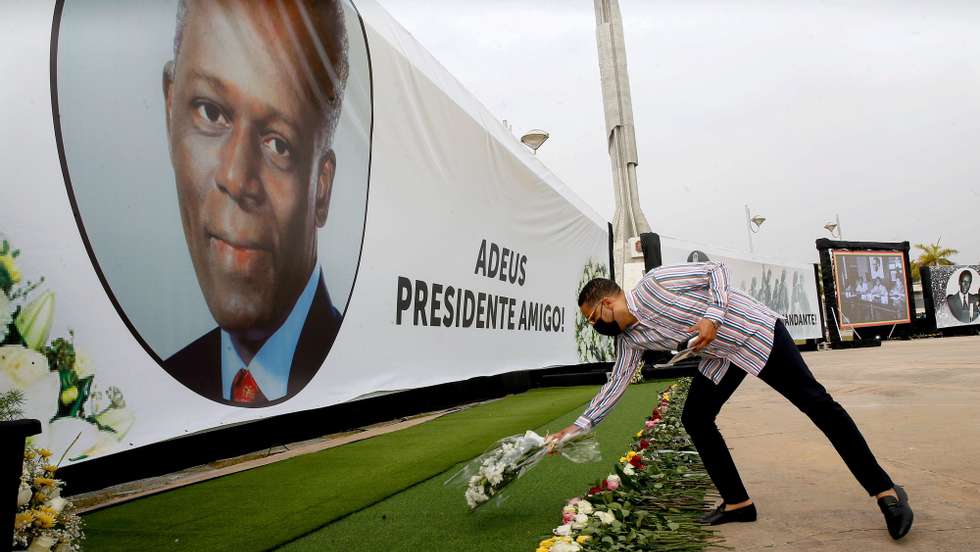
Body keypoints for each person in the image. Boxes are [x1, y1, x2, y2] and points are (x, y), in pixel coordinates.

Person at [549, 262, 913, 540]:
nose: (597, 326)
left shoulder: (654, 284)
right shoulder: (629, 340)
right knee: (696, 417)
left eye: (595, 318)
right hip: (721, 356)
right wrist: (580, 425)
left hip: (753, 333)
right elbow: (617, 384)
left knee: (817, 405)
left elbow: (715, 270)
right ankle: (738, 502)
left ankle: (885, 491)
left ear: (608, 302)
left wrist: (712, 316)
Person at [160, 0, 349, 406]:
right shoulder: (170, 380)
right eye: (211, 113)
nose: (236, 177)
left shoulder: (357, 365)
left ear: (322, 187)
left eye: (279, 144)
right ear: (169, 107)